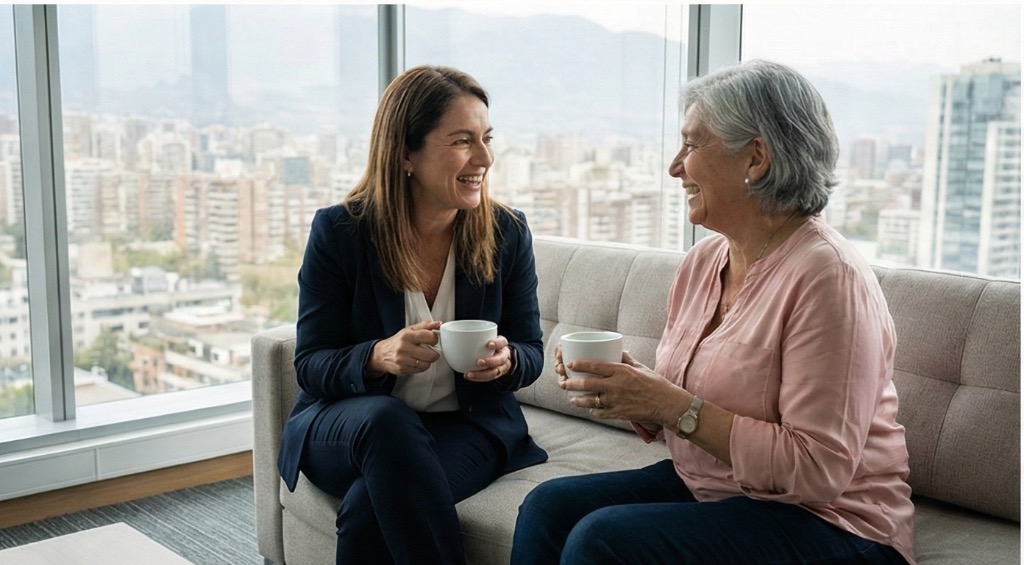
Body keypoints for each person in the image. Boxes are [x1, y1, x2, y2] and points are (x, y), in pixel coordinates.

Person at [510, 59, 915, 564]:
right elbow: (692, 401)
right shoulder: (706, 261)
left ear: (756, 158)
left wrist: (671, 407)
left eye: (692, 144)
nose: (675, 166)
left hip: (835, 522)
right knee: (548, 507)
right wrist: (631, 390)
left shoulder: (828, 278)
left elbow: (818, 470)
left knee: (604, 540)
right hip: (720, 488)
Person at [278, 65, 547, 564]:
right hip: (350, 426)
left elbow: (532, 351)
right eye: (464, 141)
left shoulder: (508, 232)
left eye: (487, 138)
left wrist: (508, 360)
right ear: (406, 152)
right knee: (387, 419)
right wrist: (378, 357)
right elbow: (310, 364)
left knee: (367, 513)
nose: (485, 157)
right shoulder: (340, 233)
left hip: (463, 427)